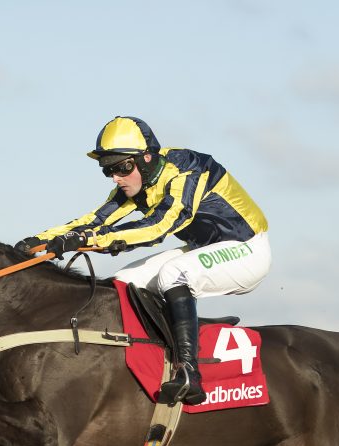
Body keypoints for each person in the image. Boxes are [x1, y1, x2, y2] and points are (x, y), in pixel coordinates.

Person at [21, 116, 271, 405]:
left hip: (247, 249)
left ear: (147, 159)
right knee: (122, 283)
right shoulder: (137, 180)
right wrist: (37, 241)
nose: (116, 177)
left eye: (122, 168)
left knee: (173, 273)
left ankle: (188, 372)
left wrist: (89, 240)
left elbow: (159, 226)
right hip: (203, 249)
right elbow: (95, 219)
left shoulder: (188, 173)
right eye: (108, 170)